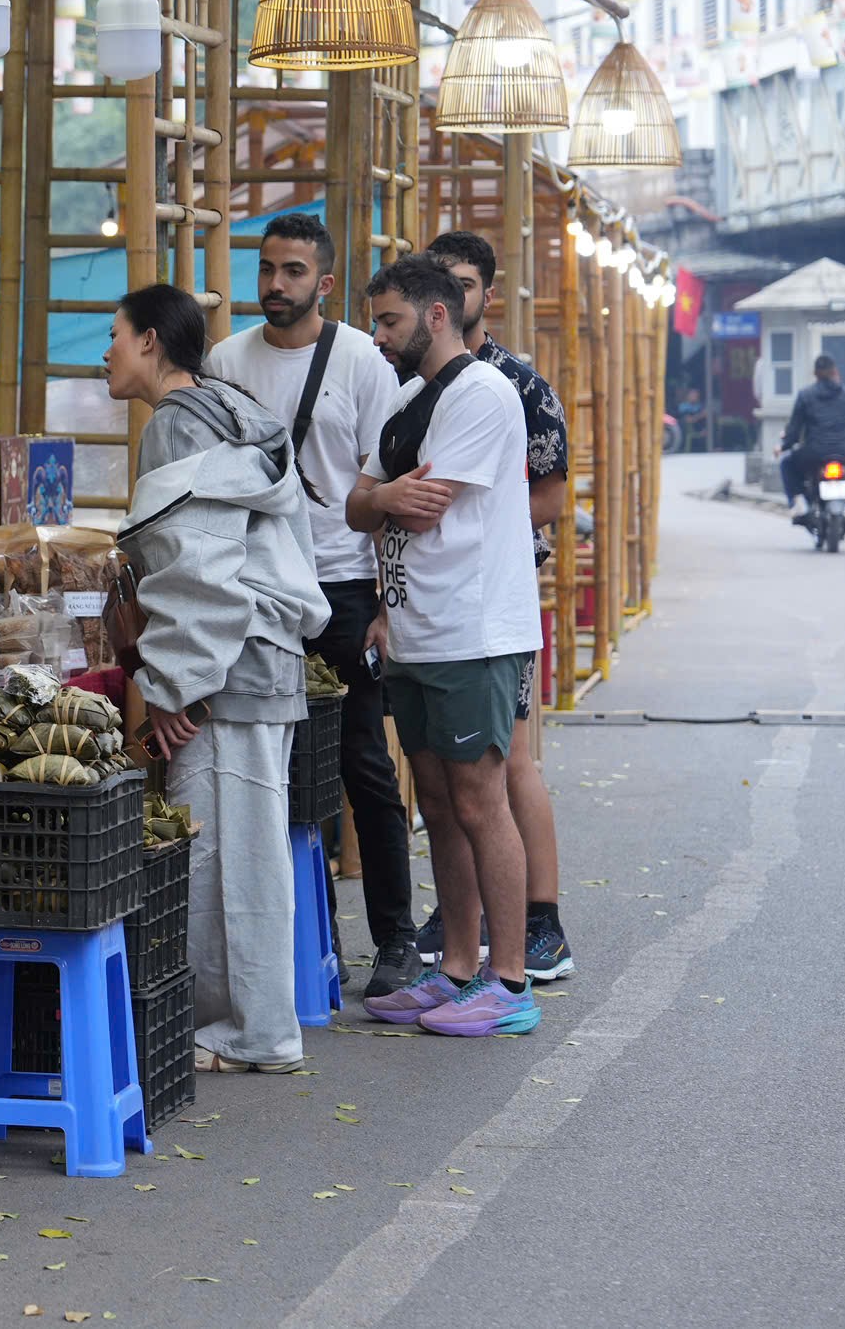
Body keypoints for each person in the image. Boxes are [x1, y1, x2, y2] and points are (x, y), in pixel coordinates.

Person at [107, 283, 330, 1072]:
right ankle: (250, 1024)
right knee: (249, 849)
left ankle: (255, 1032)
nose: (106, 352)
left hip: (227, 665)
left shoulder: (175, 426)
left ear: (150, 342)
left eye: (115, 335)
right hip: (262, 652)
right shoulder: (232, 407)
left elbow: (196, 563)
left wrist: (177, 685)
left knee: (228, 855)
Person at [205, 212, 417, 998]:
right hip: (256, 586)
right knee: (276, 766)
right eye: (267, 268)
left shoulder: (362, 361)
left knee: (363, 761)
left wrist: (388, 604)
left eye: (293, 271)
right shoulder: (226, 361)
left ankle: (395, 938)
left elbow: (388, 489)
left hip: (342, 583)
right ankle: (306, 941)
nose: (275, 284)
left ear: (324, 282)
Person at [348, 254, 541, 1039]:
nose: (379, 336)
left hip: (473, 629)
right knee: (434, 802)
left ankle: (511, 980)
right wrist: (386, 497)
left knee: (479, 801)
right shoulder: (407, 401)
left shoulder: (483, 393)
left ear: (436, 315)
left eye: (390, 321)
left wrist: (385, 497)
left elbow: (421, 508)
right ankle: (457, 967)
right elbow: (359, 506)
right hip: (414, 627)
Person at [423, 231, 576, 984]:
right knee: (444, 775)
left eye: (464, 283)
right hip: (430, 608)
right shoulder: (416, 381)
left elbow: (551, 496)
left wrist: (471, 523)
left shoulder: (519, 385)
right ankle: (464, 922)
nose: (451, 296)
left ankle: (541, 923)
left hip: (494, 606)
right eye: (439, 283)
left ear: (489, 290)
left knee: (509, 760)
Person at [778, 354, 845, 513]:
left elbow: (794, 431)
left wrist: (783, 447)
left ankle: (799, 502)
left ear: (815, 373)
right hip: (844, 451)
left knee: (786, 463)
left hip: (813, 454)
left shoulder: (805, 395)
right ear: (834, 371)